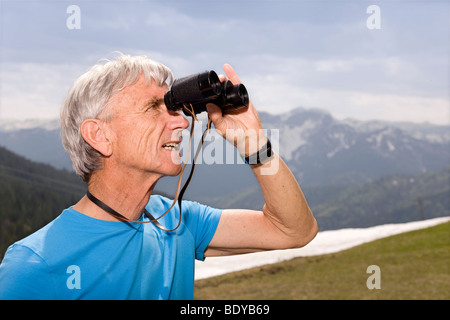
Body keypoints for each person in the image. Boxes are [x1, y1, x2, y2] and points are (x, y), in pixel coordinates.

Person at [0, 54, 317, 299]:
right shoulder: (34, 266)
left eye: (176, 107)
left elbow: (293, 231)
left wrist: (256, 144)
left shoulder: (177, 221)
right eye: (154, 107)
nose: (181, 123)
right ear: (100, 135)